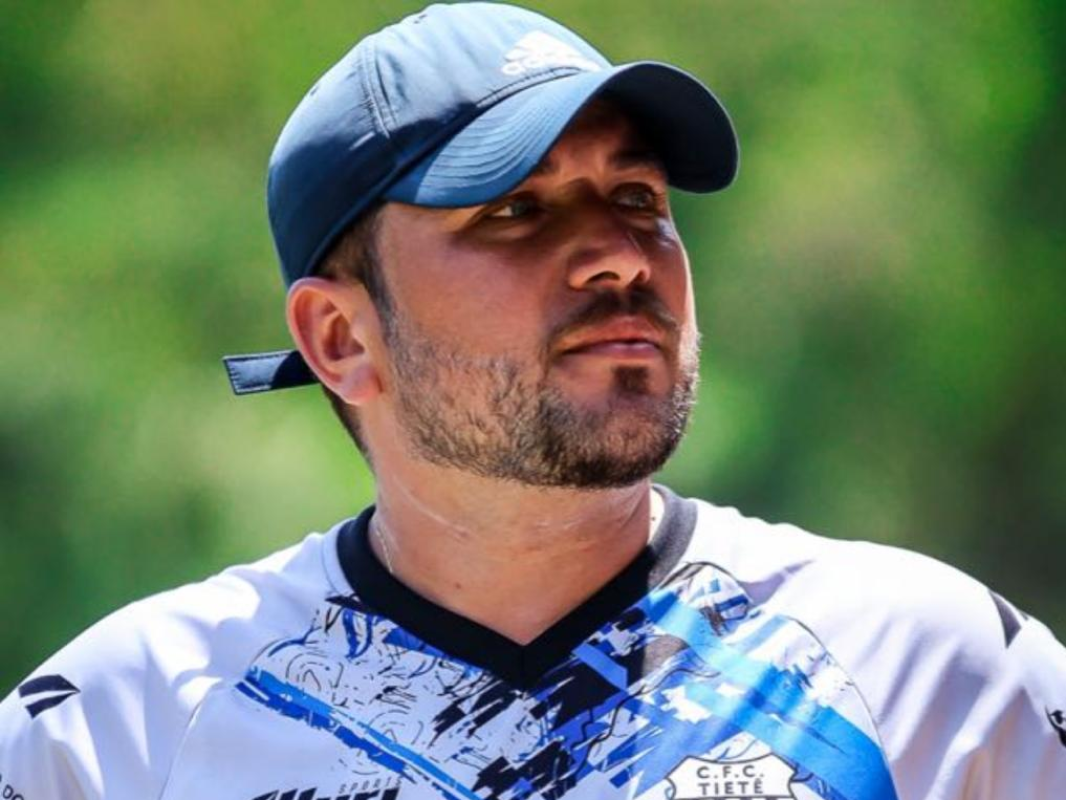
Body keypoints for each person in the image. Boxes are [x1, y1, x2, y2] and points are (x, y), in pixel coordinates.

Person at [1, 3, 1064, 798]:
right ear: (341, 338)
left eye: (637, 196)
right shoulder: (115, 734)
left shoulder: (938, 675)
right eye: (514, 210)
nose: (619, 254)